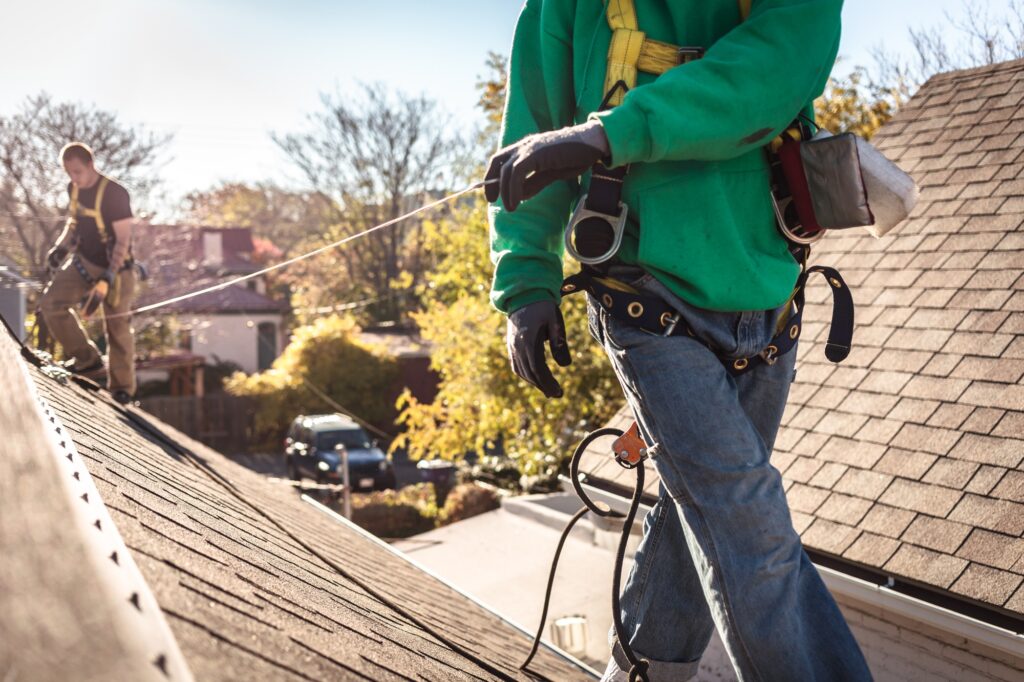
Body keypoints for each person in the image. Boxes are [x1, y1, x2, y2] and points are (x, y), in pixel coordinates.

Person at [486, 1, 871, 680]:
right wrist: (526, 281)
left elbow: (779, 62)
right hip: (645, 294)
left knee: (696, 515)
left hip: (767, 299)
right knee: (745, 522)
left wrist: (609, 135)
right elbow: (535, 133)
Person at [41, 142, 137, 404]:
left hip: (117, 269)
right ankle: (87, 360)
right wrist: (59, 249)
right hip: (84, 262)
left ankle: (122, 389)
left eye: (78, 172)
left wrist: (110, 275)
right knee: (51, 304)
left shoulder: (116, 194)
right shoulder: (73, 189)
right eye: (69, 173)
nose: (74, 178)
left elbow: (123, 240)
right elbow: (73, 225)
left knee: (117, 328)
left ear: (91, 165)